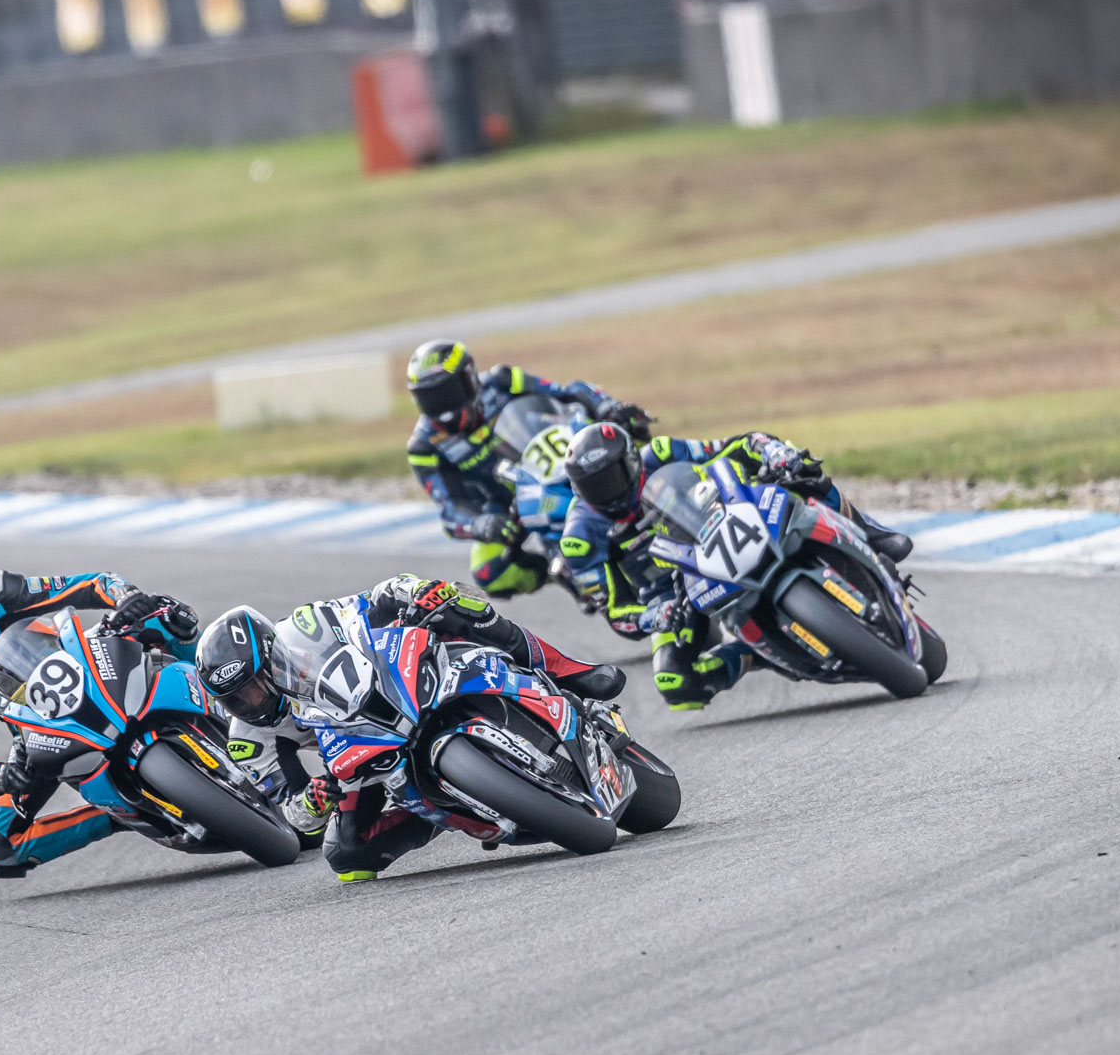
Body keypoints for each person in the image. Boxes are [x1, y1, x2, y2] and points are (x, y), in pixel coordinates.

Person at [195, 575, 625, 881]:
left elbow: (374, 597)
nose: (253, 702)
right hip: (354, 751)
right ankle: (454, 807)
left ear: (269, 653)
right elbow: (290, 814)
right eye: (237, 699)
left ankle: (570, 671)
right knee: (347, 855)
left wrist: (417, 592)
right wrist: (314, 800)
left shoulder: (304, 627)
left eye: (255, 685)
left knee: (458, 606)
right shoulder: (247, 741)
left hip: (386, 682)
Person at [560, 425, 913, 712]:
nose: (606, 492)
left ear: (632, 460)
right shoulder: (581, 537)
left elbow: (736, 445)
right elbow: (616, 611)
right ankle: (756, 653)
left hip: (727, 522)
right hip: (675, 592)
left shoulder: (663, 452)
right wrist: (653, 616)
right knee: (676, 683)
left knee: (802, 471)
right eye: (593, 486)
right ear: (578, 489)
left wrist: (773, 453)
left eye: (612, 476)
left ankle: (871, 534)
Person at [0, 557, 197, 878]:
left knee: (164, 615)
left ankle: (221, 690)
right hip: (36, 734)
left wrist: (124, 596)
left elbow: (90, 584)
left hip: (82, 665)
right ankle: (125, 811)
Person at [403, 338, 653, 599]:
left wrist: (608, 407)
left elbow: (567, 392)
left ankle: (663, 486)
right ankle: (554, 569)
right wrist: (480, 523)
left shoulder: (501, 381)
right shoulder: (424, 447)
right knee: (488, 571)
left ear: (470, 378)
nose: (444, 406)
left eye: (449, 392)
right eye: (430, 399)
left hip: (557, 460)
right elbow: (450, 510)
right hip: (505, 506)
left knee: (623, 434)